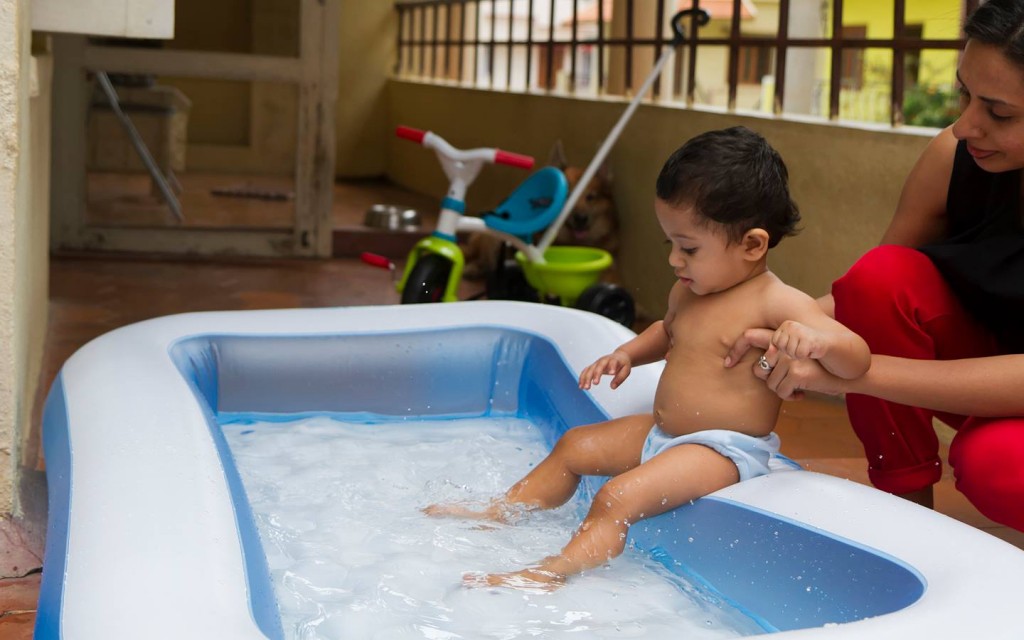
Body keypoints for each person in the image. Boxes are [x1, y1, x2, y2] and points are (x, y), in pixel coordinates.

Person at [424, 126, 871, 589]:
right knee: (574, 446)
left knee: (617, 497)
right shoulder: (691, 288)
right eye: (670, 244)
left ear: (752, 245)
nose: (675, 260)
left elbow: (857, 360)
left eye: (689, 247)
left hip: (722, 449)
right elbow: (668, 330)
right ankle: (503, 510)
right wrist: (626, 354)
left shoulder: (777, 302)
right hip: (665, 433)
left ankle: (552, 572)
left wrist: (818, 340)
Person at [724, 0, 1024, 532]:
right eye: (964, 95)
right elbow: (866, 303)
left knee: (997, 467)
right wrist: (755, 328)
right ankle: (908, 515)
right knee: (879, 275)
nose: (963, 125)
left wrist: (852, 375)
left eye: (998, 113)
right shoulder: (952, 159)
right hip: (977, 374)